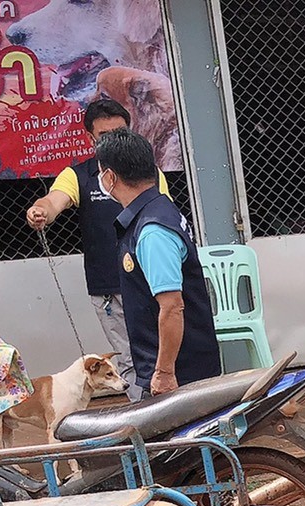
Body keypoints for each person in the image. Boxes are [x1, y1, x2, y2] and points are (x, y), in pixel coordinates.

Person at [24, 97, 172, 400]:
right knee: (130, 361)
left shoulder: (150, 174)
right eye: (105, 135)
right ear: (90, 137)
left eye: (120, 133)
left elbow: (165, 216)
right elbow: (53, 201)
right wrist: (40, 212)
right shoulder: (78, 175)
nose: (113, 141)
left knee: (165, 355)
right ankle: (147, 417)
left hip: (152, 282)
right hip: (109, 287)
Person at [93, 128, 222, 397]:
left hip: (180, 376)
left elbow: (172, 306)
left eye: (100, 172)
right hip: (174, 367)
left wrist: (164, 372)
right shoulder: (155, 211)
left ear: (110, 177)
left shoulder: (152, 230)